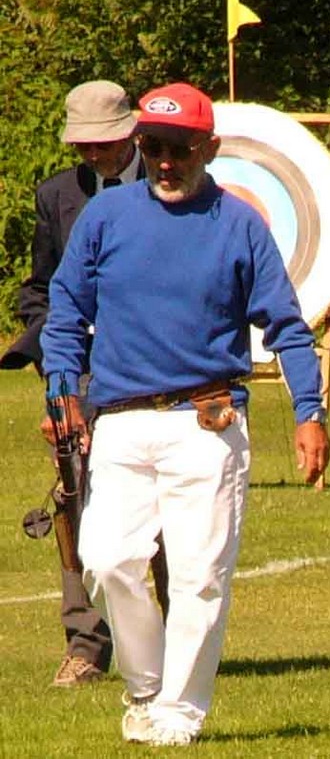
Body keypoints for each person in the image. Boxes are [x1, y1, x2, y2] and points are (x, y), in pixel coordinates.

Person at [40, 81, 330, 747]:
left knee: (200, 576)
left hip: (209, 421)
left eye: (181, 149)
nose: (166, 161)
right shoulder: (106, 219)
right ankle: (146, 689)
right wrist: (64, 388)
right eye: (154, 147)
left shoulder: (240, 223)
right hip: (119, 421)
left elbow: (285, 325)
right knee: (107, 558)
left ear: (211, 149)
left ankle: (179, 713)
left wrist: (309, 412)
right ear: (140, 146)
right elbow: (66, 312)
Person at [0, 79, 169, 687]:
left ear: (132, 135)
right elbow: (39, 290)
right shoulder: (57, 196)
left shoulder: (169, 188)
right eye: (84, 148)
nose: (93, 157)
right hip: (77, 373)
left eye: (105, 146)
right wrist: (58, 374)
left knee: (165, 501)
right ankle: (85, 644)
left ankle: (173, 638)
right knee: (73, 503)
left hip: (154, 371)